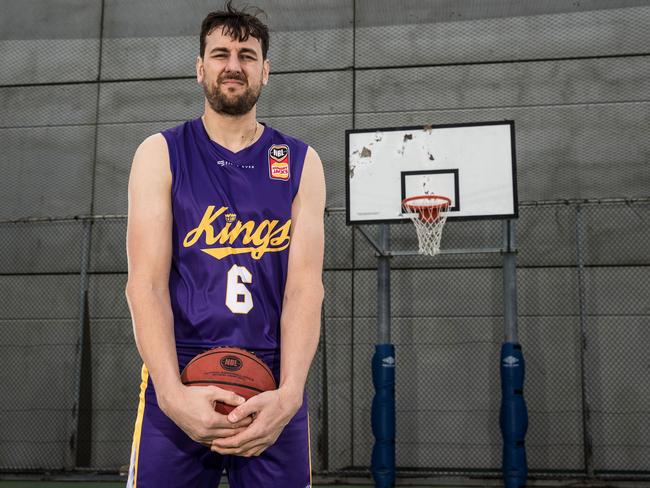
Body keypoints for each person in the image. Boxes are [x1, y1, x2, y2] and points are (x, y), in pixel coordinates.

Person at [124, 2, 325, 486]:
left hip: (272, 380)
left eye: (247, 55)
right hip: (180, 371)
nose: (233, 65)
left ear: (265, 71)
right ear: (200, 68)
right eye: (220, 54)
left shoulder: (300, 161)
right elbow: (144, 286)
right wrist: (171, 394)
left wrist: (291, 394)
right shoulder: (160, 153)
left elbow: (305, 288)